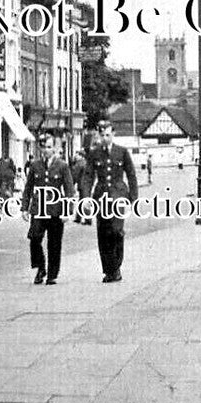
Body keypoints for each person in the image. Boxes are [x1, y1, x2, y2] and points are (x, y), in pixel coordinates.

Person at [84, 119, 137, 283]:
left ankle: (116, 267)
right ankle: (109, 270)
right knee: (103, 234)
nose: (105, 138)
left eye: (108, 134)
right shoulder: (94, 153)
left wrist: (133, 198)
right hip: (101, 198)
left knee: (116, 232)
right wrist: (86, 197)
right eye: (102, 135)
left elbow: (131, 174)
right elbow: (88, 176)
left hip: (119, 198)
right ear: (99, 136)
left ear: (113, 134)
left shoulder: (122, 152)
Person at [21, 134, 75, 285]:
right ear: (40, 148)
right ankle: (40, 267)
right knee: (34, 238)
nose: (46, 150)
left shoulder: (62, 166)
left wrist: (68, 210)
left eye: (49, 147)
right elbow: (28, 188)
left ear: (55, 148)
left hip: (56, 210)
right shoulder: (34, 165)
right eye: (44, 147)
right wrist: (24, 208)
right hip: (38, 209)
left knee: (54, 243)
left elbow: (69, 190)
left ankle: (52, 274)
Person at [70, 149, 90, 225]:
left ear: (81, 156)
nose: (76, 156)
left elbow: (75, 174)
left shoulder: (80, 163)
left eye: (77, 154)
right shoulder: (86, 163)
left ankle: (87, 219)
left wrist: (72, 184)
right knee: (83, 201)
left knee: (84, 202)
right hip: (86, 185)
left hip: (82, 185)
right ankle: (79, 218)